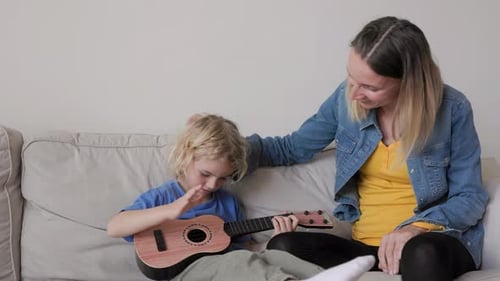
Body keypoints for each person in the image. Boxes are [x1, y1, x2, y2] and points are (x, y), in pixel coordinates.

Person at [245, 16, 489, 281]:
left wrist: (413, 230)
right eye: (351, 78)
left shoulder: (452, 109)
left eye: (370, 87)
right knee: (284, 248)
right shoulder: (345, 99)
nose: (353, 94)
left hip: (431, 243)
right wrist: (226, 150)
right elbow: (290, 148)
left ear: (408, 82)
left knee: (423, 253)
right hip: (365, 248)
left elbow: (470, 196)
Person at [107, 113, 375, 281]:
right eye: (205, 173)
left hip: (227, 267)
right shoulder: (164, 196)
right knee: (235, 262)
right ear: (185, 156)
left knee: (277, 259)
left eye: (223, 177)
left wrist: (272, 242)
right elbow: (115, 226)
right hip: (183, 272)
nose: (213, 184)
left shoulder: (227, 203)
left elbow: (244, 251)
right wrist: (170, 211)